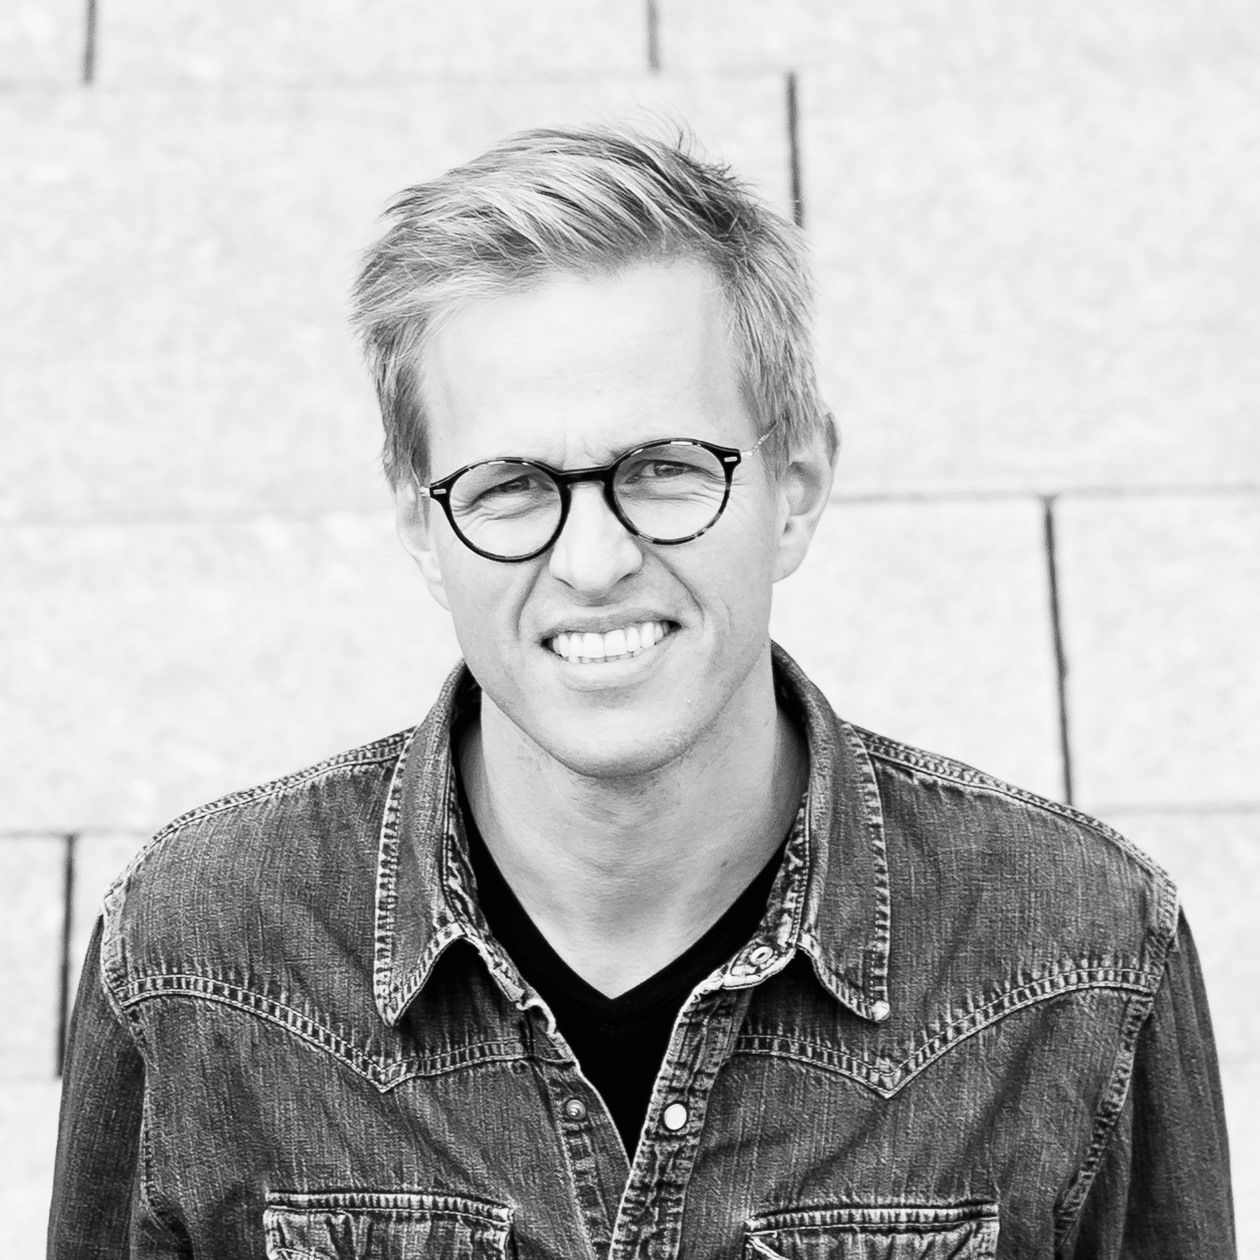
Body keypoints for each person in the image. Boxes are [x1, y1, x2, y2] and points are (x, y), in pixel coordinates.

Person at [49, 125, 1234, 1259]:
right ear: (422, 524)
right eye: (512, 486)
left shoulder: (1083, 957)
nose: (594, 560)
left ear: (798, 485)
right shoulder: (193, 963)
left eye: (664, 469)